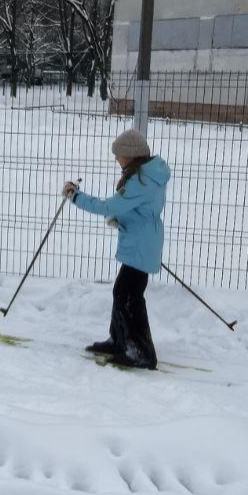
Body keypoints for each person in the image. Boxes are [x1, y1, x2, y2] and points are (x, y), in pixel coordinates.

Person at [62, 129, 171, 370]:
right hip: (142, 240)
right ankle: (120, 341)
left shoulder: (141, 181)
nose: (116, 159)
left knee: (128, 297)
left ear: (131, 155)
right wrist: (122, 219)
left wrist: (75, 196)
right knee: (124, 293)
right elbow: (136, 208)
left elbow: (109, 205)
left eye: (119, 154)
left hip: (141, 244)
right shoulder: (146, 175)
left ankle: (140, 352)